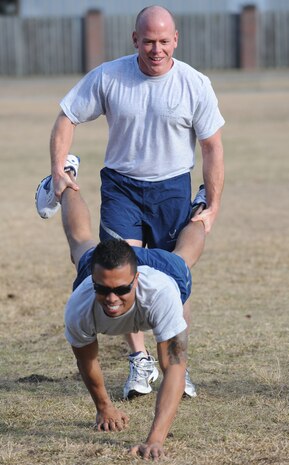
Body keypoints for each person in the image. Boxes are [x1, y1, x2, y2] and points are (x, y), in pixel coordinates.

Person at [40, 5, 225, 398]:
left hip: (172, 187)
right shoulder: (110, 76)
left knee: (176, 284)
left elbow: (212, 147)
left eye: (163, 41)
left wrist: (213, 202)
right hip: (122, 186)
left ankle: (178, 366)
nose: (156, 50)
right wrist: (57, 167)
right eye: (148, 41)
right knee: (121, 275)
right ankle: (140, 360)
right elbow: (67, 116)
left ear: (176, 39)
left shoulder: (195, 84)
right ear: (134, 39)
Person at [35, 157, 207, 460]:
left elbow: (176, 366)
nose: (112, 299)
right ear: (94, 283)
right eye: (104, 290)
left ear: (136, 281)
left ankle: (201, 206)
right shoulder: (81, 304)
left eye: (121, 290)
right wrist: (104, 406)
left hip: (159, 271)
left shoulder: (162, 293)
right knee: (80, 245)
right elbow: (87, 362)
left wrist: (155, 439)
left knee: (184, 256)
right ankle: (65, 176)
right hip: (108, 265)